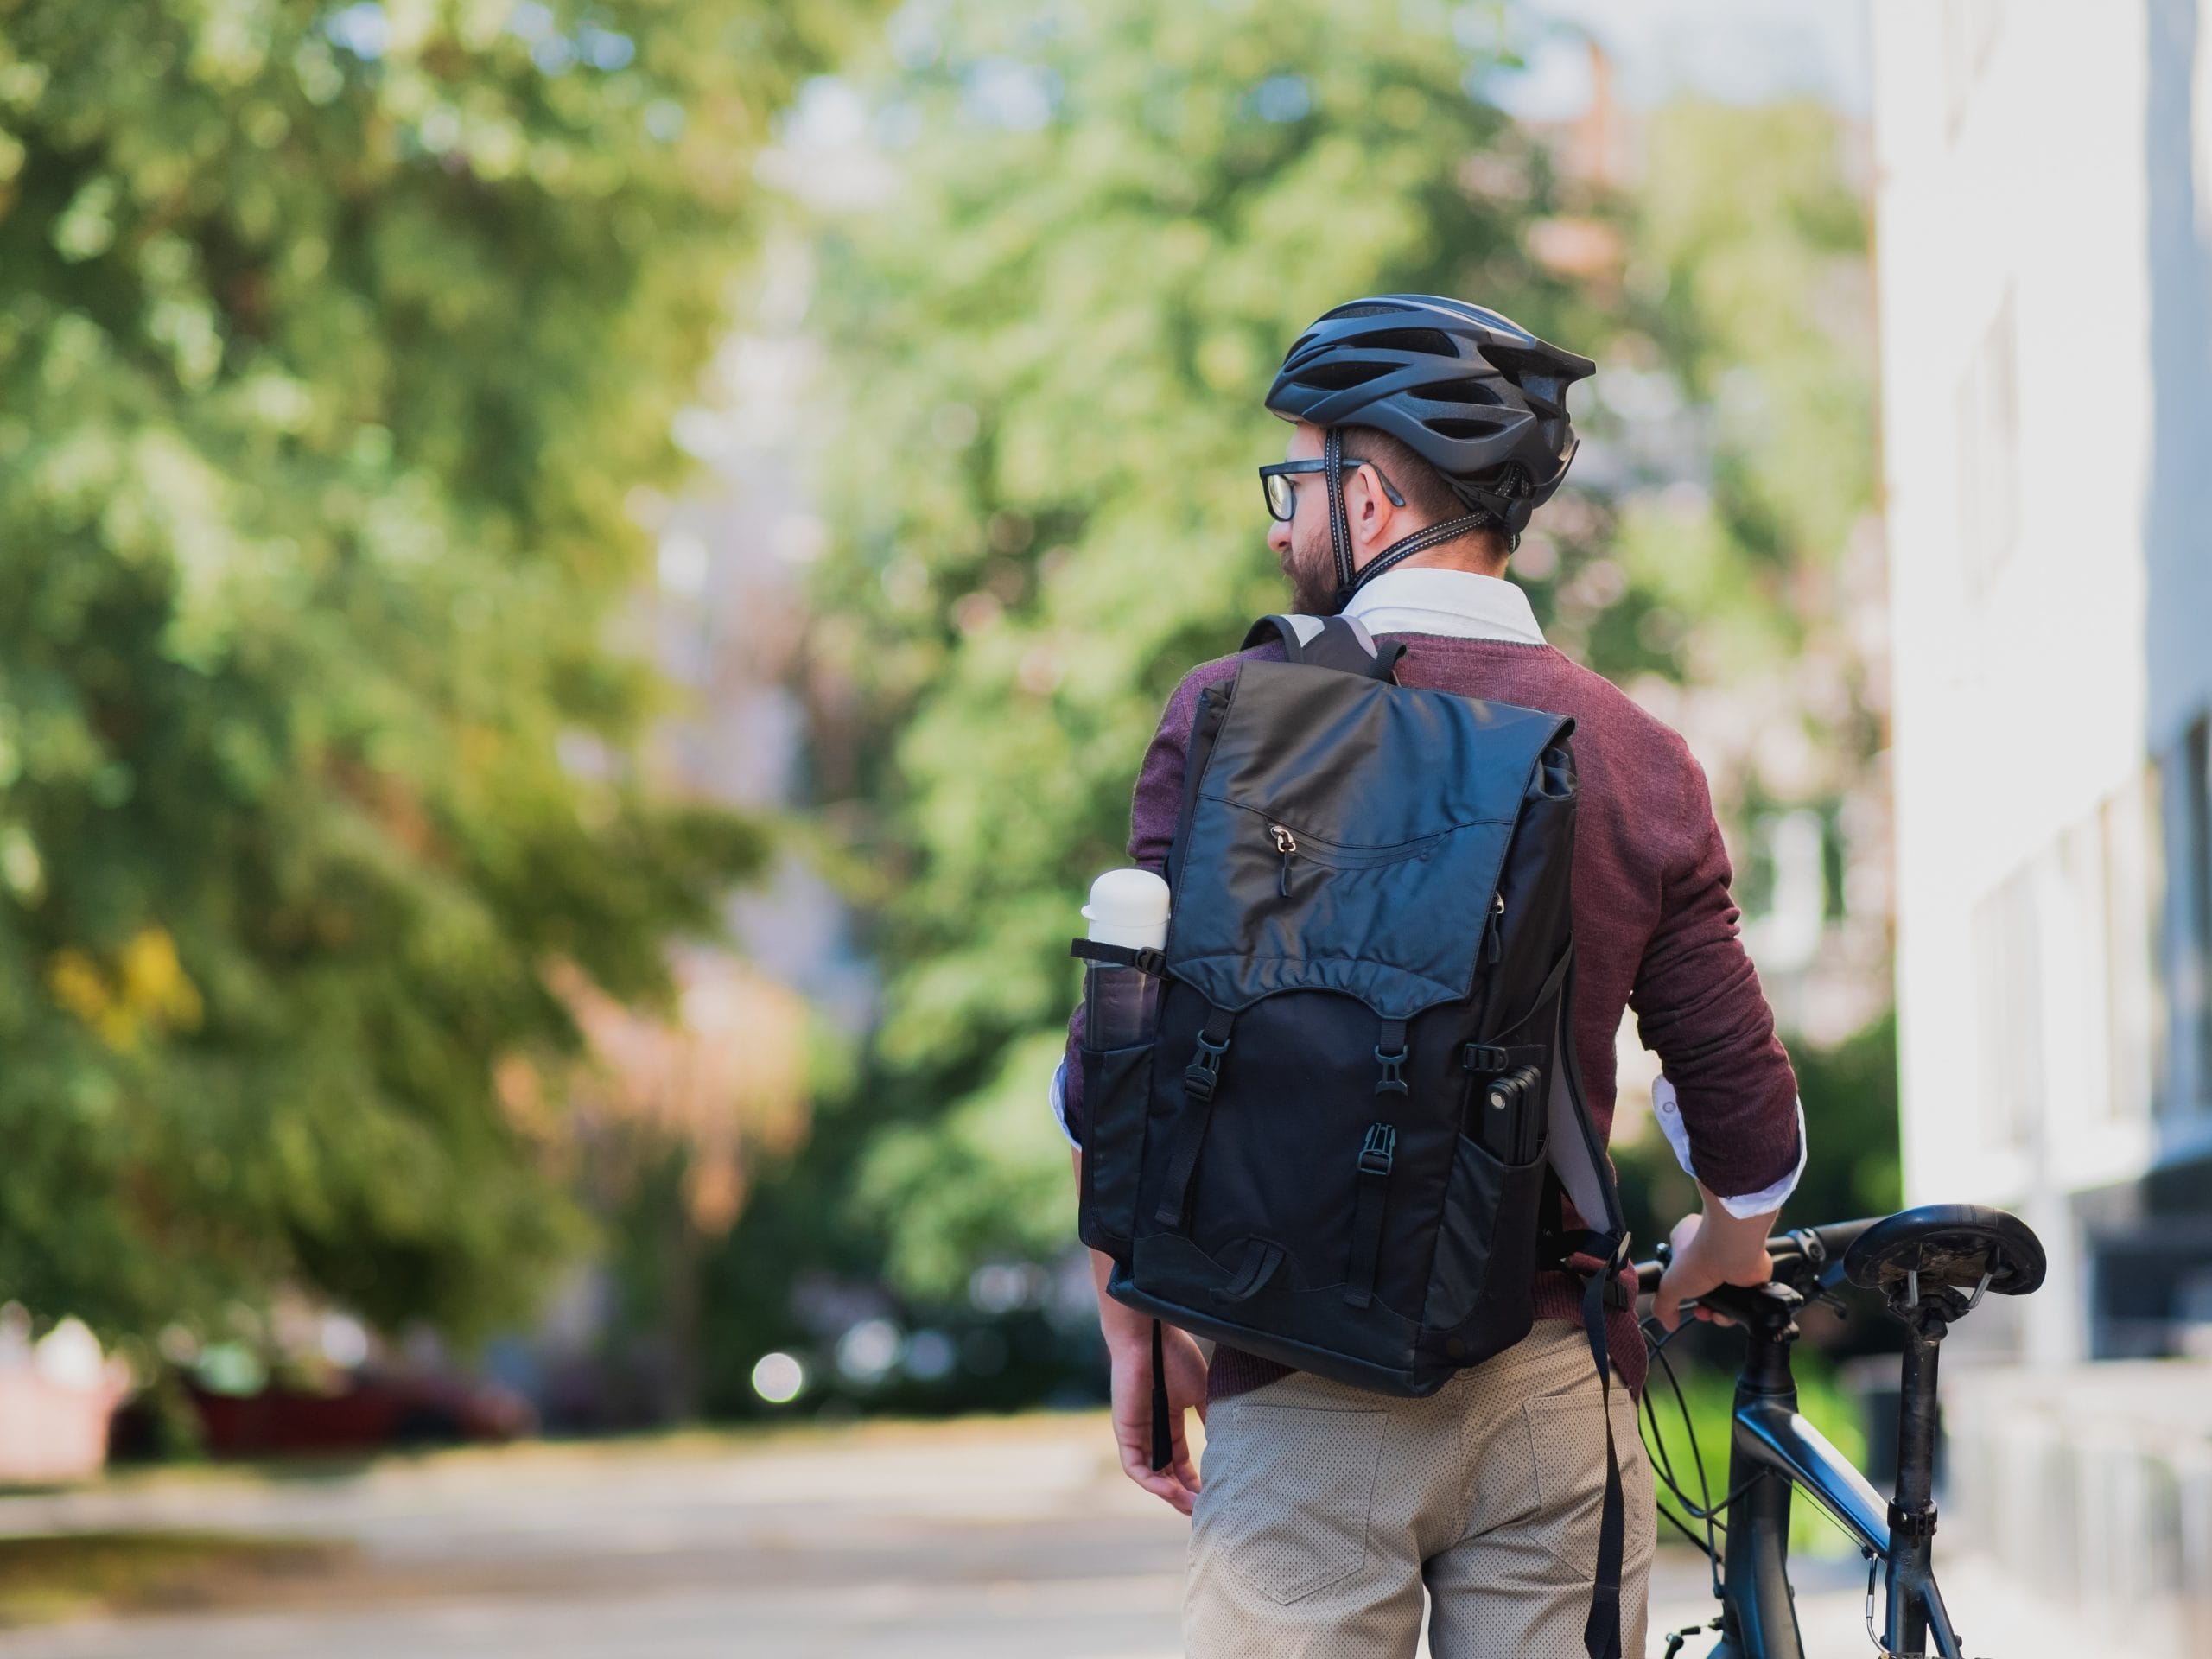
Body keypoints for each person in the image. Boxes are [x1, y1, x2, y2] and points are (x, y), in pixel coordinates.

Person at [1052, 295, 1806, 1658]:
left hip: (1295, 1386)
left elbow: (1119, 1072)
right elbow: (1748, 1140)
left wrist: (1138, 1327)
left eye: (1300, 482)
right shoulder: (1638, 755)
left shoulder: (1230, 715)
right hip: (1552, 1402)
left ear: (1377, 500)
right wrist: (1706, 1265)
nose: (1282, 524)